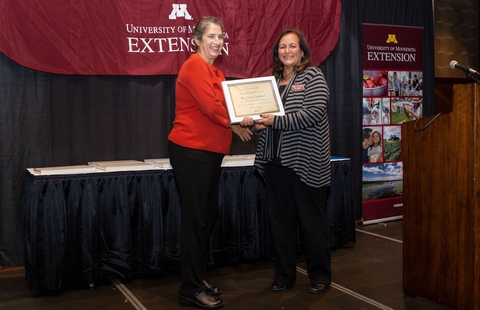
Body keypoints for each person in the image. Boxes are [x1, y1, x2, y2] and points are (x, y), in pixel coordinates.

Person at [168, 16, 252, 309]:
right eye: (211, 37)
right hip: (192, 151)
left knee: (207, 216)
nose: (217, 42)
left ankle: (196, 277)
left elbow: (226, 108)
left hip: (210, 153)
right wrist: (239, 120)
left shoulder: (216, 72)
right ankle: (189, 289)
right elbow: (212, 108)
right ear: (197, 40)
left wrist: (239, 125)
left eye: (221, 37)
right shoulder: (193, 66)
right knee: (196, 220)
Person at [244, 28, 332, 295]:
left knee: (311, 224)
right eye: (283, 47)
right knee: (280, 226)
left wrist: (275, 121)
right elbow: (265, 119)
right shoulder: (271, 81)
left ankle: (320, 276)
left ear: (302, 51)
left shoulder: (312, 75)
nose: (287, 51)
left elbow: (314, 112)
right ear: (277, 53)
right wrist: (253, 121)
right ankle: (284, 276)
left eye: (292, 46)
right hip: (274, 164)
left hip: (305, 163)